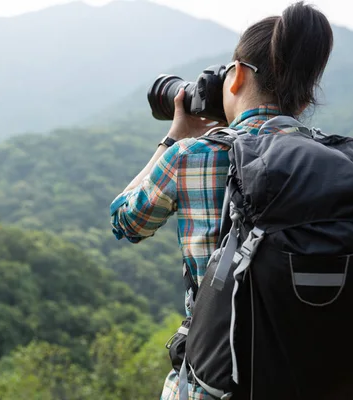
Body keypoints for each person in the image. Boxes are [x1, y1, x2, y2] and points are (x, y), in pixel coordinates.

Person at [109, 2, 333, 399]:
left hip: (214, 383)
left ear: (237, 78)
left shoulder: (194, 154)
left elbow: (125, 220)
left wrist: (174, 138)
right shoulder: (339, 162)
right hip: (312, 379)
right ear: (303, 100)